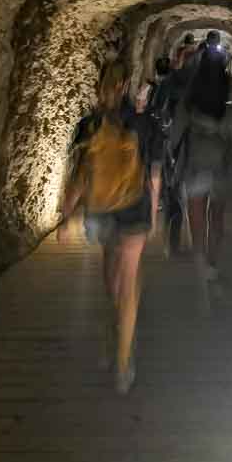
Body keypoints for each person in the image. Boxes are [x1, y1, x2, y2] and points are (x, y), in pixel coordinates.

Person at [59, 61, 163, 394]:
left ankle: (111, 329)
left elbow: (80, 175)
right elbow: (155, 175)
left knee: (111, 278)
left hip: (102, 211)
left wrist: (66, 215)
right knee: (130, 283)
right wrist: (155, 215)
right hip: (135, 210)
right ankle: (122, 360)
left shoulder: (89, 125)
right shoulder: (145, 124)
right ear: (126, 86)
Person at [175, 35, 232, 300]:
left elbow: (175, 136)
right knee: (216, 220)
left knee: (197, 222)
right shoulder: (228, 106)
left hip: (194, 169)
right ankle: (212, 267)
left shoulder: (189, 102)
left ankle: (201, 265)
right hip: (220, 171)